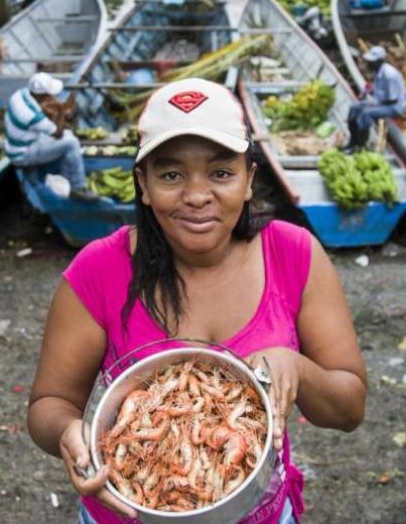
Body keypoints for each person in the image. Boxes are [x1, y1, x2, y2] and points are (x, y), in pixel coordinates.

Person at [27, 77, 366, 524]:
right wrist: (68, 433)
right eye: (170, 174)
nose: (197, 196)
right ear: (143, 184)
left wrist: (296, 368)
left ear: (249, 179)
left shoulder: (295, 254)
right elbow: (49, 402)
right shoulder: (98, 270)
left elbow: (349, 410)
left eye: (221, 172)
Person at [6, 72, 99, 202]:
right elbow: (58, 133)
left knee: (68, 136)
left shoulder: (19, 95)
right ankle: (77, 188)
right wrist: (60, 110)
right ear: (43, 95)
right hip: (23, 154)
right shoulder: (33, 117)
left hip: (15, 145)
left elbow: (41, 113)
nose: (53, 96)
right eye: (50, 94)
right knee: (71, 142)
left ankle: (68, 174)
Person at [344, 46, 406, 152]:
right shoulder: (378, 71)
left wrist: (374, 104)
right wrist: (370, 90)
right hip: (382, 102)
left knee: (366, 113)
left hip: (394, 106)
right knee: (354, 108)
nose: (368, 64)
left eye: (371, 62)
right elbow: (380, 91)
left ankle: (360, 145)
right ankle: (352, 142)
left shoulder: (390, 75)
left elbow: (392, 99)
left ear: (379, 61)